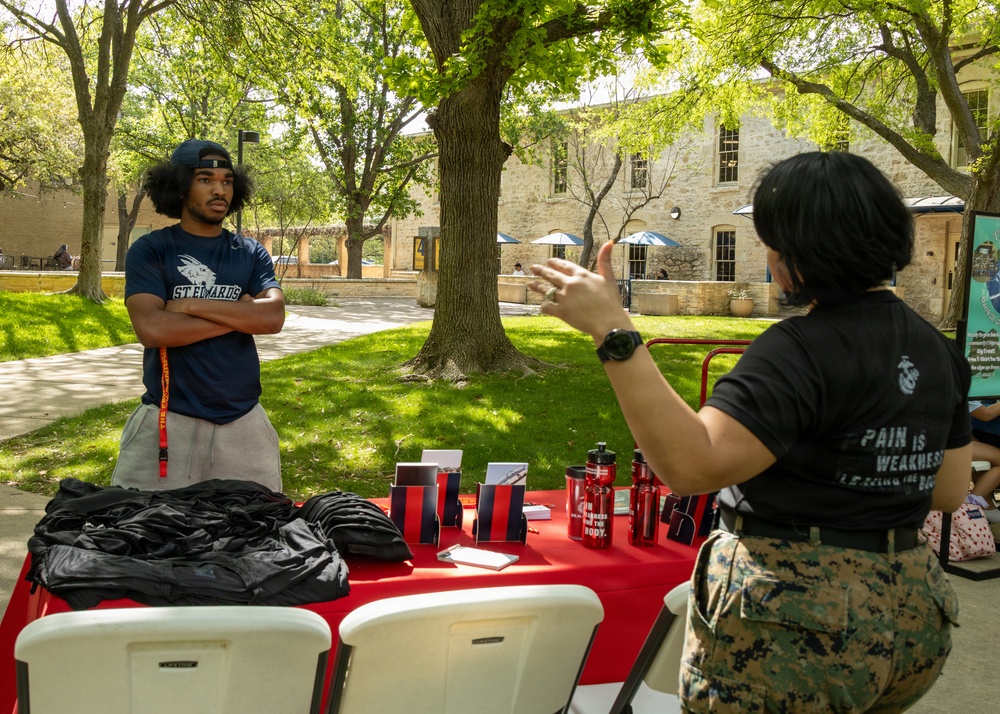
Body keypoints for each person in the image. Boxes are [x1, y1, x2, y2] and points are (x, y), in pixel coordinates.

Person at [529, 151, 970, 712]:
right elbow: (949, 489)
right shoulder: (939, 351)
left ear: (798, 252)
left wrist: (612, 328)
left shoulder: (798, 350)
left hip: (796, 628)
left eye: (773, 243)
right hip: (912, 619)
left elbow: (692, 465)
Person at [111, 139, 285, 493]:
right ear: (178, 186)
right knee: (144, 535)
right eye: (205, 179)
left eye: (226, 180)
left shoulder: (250, 252)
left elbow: (272, 318)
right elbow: (152, 328)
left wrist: (188, 305)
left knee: (255, 537)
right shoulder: (152, 249)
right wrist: (240, 313)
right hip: (166, 420)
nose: (219, 189)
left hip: (244, 422)